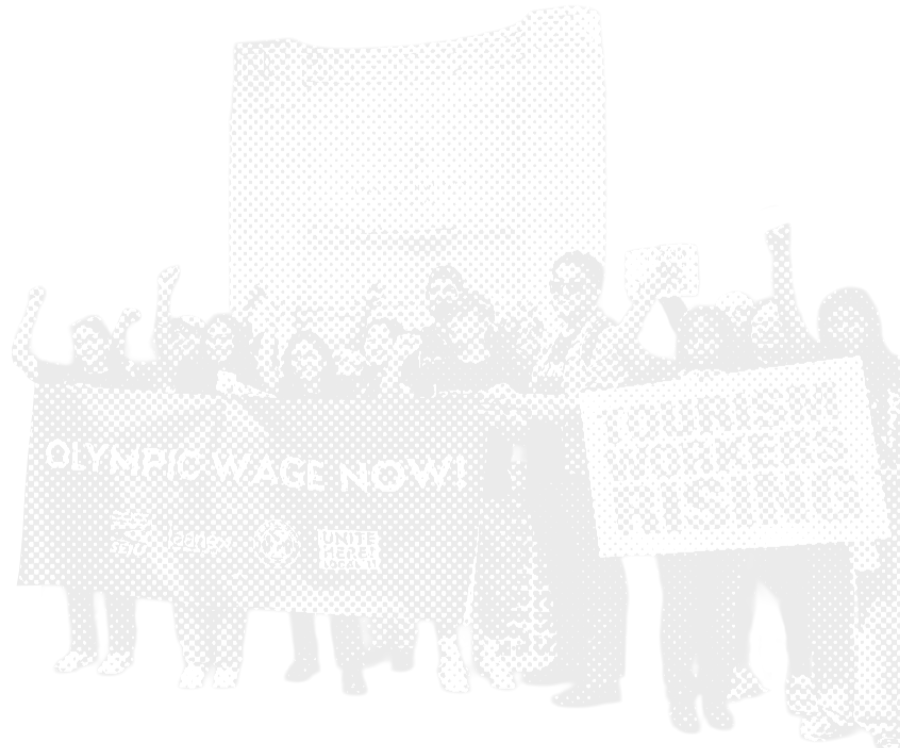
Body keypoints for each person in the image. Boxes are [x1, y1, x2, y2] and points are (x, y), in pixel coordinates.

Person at [485, 249, 672, 703]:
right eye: (557, 286)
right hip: (546, 474)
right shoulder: (555, 343)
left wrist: (517, 401)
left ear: (596, 292)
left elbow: (584, 404)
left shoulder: (606, 340)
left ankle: (600, 675)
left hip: (588, 478)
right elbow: (539, 408)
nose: (564, 294)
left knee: (597, 582)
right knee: (561, 577)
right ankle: (569, 664)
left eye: (575, 286)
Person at [13, 285, 155, 676]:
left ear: (106, 341)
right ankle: (82, 646)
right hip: (78, 495)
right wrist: (33, 307)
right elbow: (19, 356)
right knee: (78, 571)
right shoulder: (63, 376)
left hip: (124, 494)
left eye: (91, 338)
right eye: (77, 340)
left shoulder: (128, 376)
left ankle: (120, 649)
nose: (84, 346)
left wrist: (130, 328)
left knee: (120, 574)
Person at [408, 291, 532, 692]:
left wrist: (504, 417)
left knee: (493, 573)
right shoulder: (436, 371)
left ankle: (486, 645)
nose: (462, 327)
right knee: (447, 571)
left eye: (470, 319)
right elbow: (405, 420)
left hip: (494, 484)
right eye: (455, 320)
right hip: (446, 491)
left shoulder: (507, 367)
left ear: (486, 323)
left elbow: (523, 428)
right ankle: (449, 648)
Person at [656, 306, 746, 729]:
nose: (702, 343)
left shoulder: (746, 389)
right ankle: (681, 695)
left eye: (711, 334)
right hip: (679, 520)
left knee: (722, 609)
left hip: (728, 520)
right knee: (681, 609)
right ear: (681, 342)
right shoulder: (659, 387)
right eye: (693, 334)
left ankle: (715, 694)